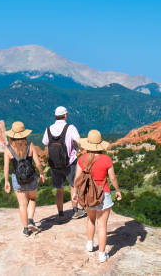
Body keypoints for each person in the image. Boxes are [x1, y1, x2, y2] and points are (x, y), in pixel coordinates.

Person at [73, 130, 122, 263]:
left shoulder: (81, 159)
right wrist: (117, 190)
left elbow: (77, 179)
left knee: (90, 219)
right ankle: (101, 254)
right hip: (104, 194)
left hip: (88, 194)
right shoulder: (106, 159)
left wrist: (75, 194)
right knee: (102, 225)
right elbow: (112, 178)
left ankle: (89, 245)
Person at [42, 106, 86, 222]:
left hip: (55, 164)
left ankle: (61, 214)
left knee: (59, 189)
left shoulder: (48, 129)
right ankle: (75, 210)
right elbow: (79, 141)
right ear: (65, 115)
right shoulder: (70, 128)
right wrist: (81, 150)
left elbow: (45, 144)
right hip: (69, 163)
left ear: (55, 116)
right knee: (73, 186)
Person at [3, 121, 45, 237]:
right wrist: (41, 174)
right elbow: (37, 163)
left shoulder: (8, 149)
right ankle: (31, 219)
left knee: (22, 204)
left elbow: (6, 168)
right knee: (32, 199)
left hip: (17, 179)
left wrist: (6, 181)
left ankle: (26, 229)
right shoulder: (30, 145)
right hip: (31, 178)